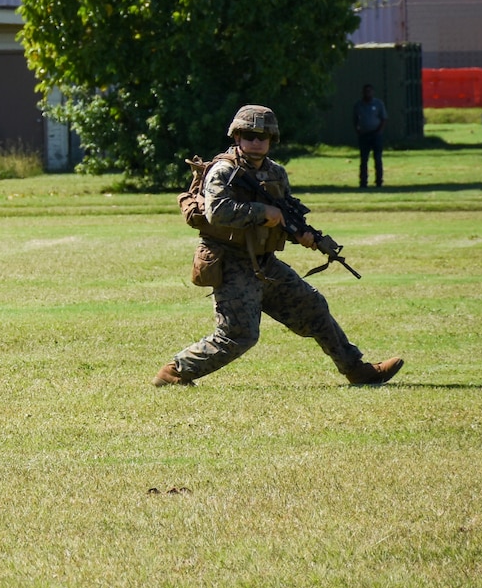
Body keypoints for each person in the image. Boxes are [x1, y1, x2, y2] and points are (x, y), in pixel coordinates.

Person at [155, 105, 402, 388]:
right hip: (231, 262)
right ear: (237, 137)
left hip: (265, 262)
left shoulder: (276, 173)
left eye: (264, 135)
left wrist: (302, 235)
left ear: (273, 140)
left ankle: (357, 371)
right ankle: (175, 372)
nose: (256, 141)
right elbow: (217, 212)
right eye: (249, 134)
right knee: (240, 335)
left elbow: (284, 213)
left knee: (314, 308)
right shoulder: (223, 171)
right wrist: (261, 212)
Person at [353, 83, 388, 188]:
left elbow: (384, 118)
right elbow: (355, 119)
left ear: (373, 92)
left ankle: (379, 181)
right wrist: (358, 130)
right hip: (364, 135)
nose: (368, 93)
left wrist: (379, 131)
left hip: (376, 134)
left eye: (369, 91)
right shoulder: (358, 105)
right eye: (366, 91)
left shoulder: (378, 104)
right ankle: (363, 181)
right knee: (364, 159)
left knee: (377, 158)